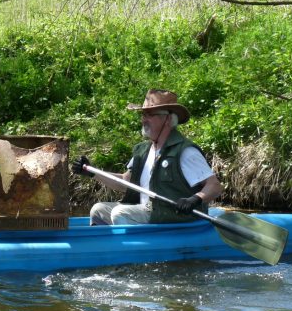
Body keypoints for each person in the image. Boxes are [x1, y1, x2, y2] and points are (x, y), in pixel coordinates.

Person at [71, 89, 223, 225]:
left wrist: (195, 199)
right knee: (98, 210)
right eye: (143, 114)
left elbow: (214, 186)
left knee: (120, 213)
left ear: (168, 120)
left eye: (150, 114)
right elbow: (125, 183)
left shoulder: (185, 151)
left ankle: (131, 252)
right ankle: (107, 247)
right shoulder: (142, 150)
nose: (143, 119)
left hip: (176, 216)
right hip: (147, 211)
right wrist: (92, 173)